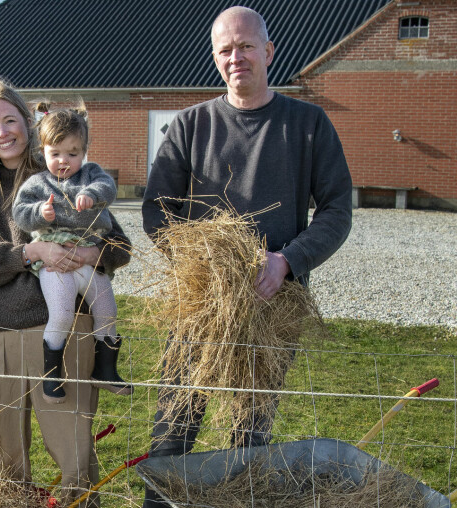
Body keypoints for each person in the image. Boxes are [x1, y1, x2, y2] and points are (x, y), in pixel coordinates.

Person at [140, 6, 352, 507]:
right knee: (174, 428)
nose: (237, 58)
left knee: (249, 437)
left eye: (246, 46)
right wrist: (204, 268)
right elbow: (158, 211)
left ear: (268, 51)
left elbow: (337, 209)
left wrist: (287, 261)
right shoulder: (192, 125)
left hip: (270, 308)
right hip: (201, 309)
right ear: (216, 58)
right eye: (225, 50)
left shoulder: (307, 124)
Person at [0, 79, 132, 506]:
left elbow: (120, 245)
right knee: (4, 456)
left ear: (27, 122)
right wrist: (32, 250)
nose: (2, 132)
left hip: (64, 335)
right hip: (1, 336)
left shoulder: (64, 168)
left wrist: (89, 254)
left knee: (74, 454)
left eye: (9, 120)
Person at [12, 102, 132, 404]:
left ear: (84, 151)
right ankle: (50, 375)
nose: (64, 161)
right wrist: (42, 212)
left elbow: (108, 186)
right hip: (56, 263)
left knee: (108, 311)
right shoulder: (38, 183)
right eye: (56, 154)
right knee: (62, 314)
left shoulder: (91, 175)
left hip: (90, 258)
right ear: (44, 151)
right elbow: (20, 213)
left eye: (73, 153)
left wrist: (90, 195)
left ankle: (105, 370)